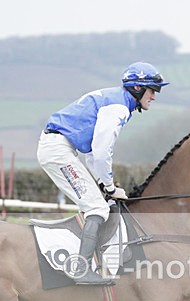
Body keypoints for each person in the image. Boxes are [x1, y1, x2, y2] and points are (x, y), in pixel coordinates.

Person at [37, 61, 169, 284]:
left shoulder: (117, 100)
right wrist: (108, 187)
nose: (154, 96)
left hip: (62, 148)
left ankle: (108, 259)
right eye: (152, 90)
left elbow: (90, 152)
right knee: (97, 206)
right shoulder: (118, 107)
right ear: (138, 88)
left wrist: (105, 185)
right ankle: (80, 269)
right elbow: (100, 152)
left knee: (105, 204)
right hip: (57, 150)